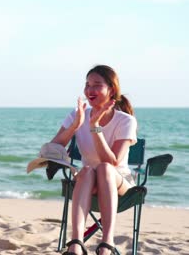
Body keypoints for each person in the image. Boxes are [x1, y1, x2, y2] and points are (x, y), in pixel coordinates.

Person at [50, 65, 137, 255]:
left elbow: (113, 162)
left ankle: (107, 243)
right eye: (87, 85)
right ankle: (76, 244)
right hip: (88, 181)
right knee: (88, 170)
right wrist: (75, 125)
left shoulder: (125, 121)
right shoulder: (77, 115)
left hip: (119, 182)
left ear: (111, 89)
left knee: (105, 168)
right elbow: (53, 147)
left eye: (97, 85)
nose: (90, 90)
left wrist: (95, 127)